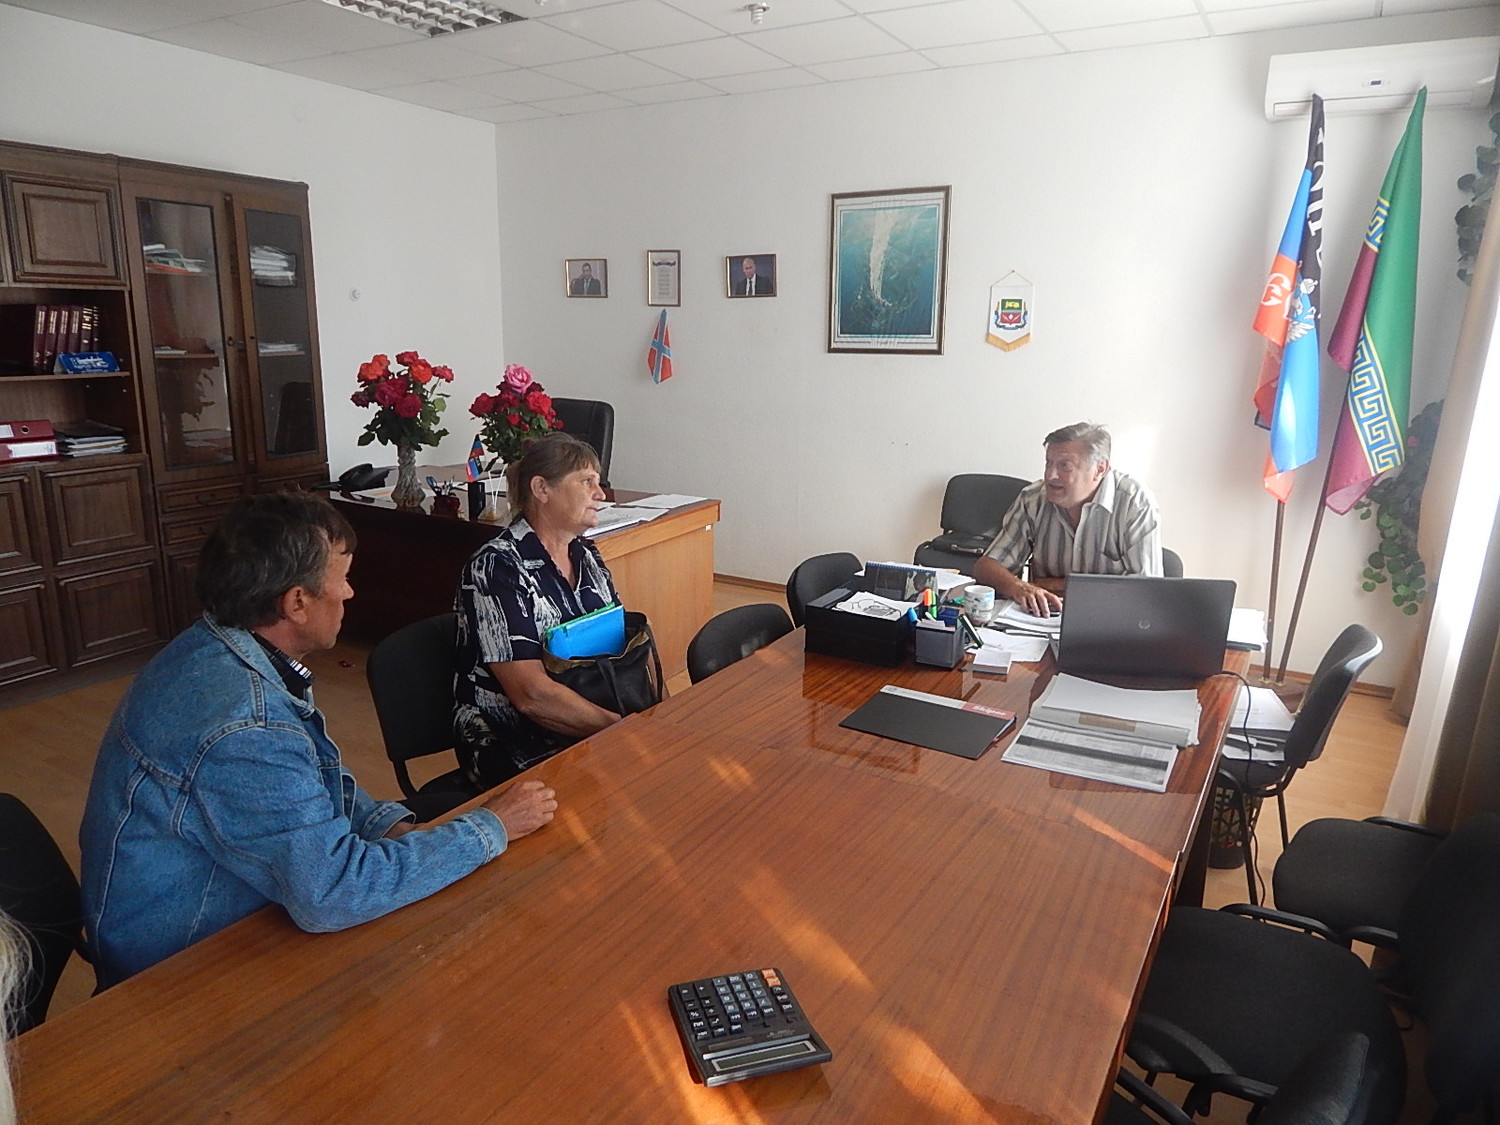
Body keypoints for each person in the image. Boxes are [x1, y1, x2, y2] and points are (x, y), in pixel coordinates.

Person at [78, 493, 558, 989]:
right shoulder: (247, 725)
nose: (349, 592)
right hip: (179, 973)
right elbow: (331, 894)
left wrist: (387, 827)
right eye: (342, 579)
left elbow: (308, 783)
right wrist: (491, 827)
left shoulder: (219, 646)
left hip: (228, 911)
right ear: (297, 603)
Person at [455, 432, 623, 788]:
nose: (600, 494)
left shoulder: (586, 554)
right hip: (513, 737)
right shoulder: (496, 567)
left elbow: (620, 646)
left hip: (586, 714)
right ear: (542, 489)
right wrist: (623, 728)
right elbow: (530, 696)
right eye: (586, 482)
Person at [973, 422, 1161, 618]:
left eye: (1065, 466)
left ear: (1100, 469)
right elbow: (986, 567)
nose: (1050, 475)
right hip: (1044, 620)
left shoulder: (1134, 504)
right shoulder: (1033, 499)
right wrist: (1019, 587)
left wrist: (1052, 585)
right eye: (1048, 463)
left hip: (1111, 619)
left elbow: (1146, 591)